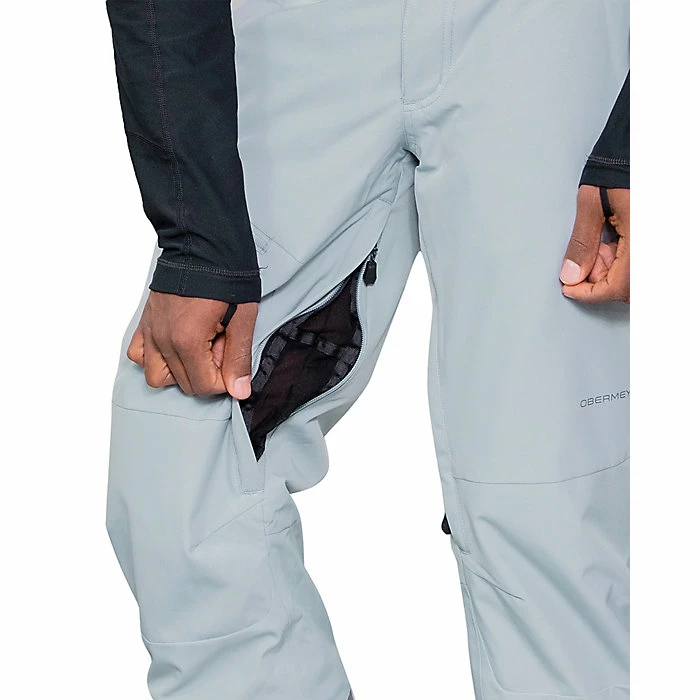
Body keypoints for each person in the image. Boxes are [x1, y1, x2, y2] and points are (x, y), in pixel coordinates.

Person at [105, 1, 630, 699]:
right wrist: (197, 237)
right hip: (297, 30)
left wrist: (635, 136)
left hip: (542, 29)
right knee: (182, 459)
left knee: (546, 494)